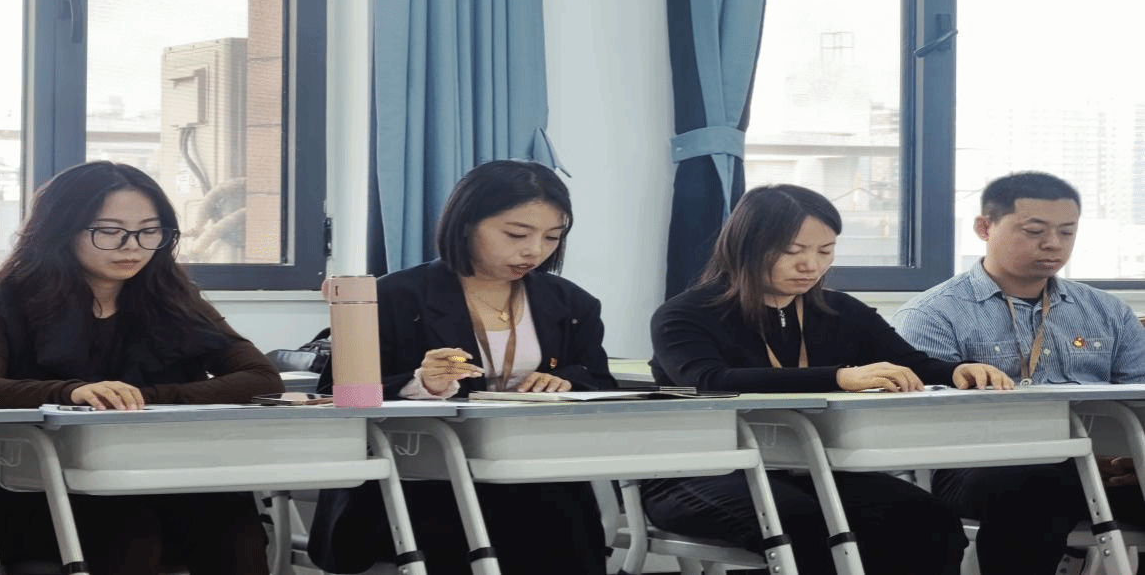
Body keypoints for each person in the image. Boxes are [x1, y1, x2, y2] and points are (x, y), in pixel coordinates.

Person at [644, 184, 1010, 575]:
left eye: (825, 251)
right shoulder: (685, 314)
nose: (811, 266)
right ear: (746, 247)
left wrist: (955, 371)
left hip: (811, 469)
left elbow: (907, 362)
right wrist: (839, 377)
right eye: (793, 251)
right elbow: (710, 381)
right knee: (804, 524)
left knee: (929, 521)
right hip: (696, 471)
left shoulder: (839, 311)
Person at [0, 161, 283, 575]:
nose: (131, 246)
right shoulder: (1, 302)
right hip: (26, 487)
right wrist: (70, 392)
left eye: (149, 231)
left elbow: (261, 377)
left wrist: (145, 399)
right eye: (109, 231)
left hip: (150, 475)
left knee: (231, 525)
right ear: (61, 230)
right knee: (127, 529)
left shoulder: (175, 299)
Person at [309, 159, 615, 575]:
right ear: (467, 223)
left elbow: (599, 380)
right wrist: (420, 384)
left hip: (532, 473)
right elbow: (334, 394)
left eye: (552, 237)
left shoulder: (571, 302)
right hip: (417, 478)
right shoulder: (392, 296)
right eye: (516, 234)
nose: (534, 250)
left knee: (556, 517)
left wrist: (564, 381)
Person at [893, 171, 1145, 574]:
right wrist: (1065, 456)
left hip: (1099, 465)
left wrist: (1131, 456)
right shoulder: (932, 314)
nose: (1053, 244)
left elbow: (1138, 397)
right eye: (1034, 231)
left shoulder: (1108, 311)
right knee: (1036, 485)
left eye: (1067, 232)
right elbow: (929, 423)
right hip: (977, 466)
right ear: (984, 227)